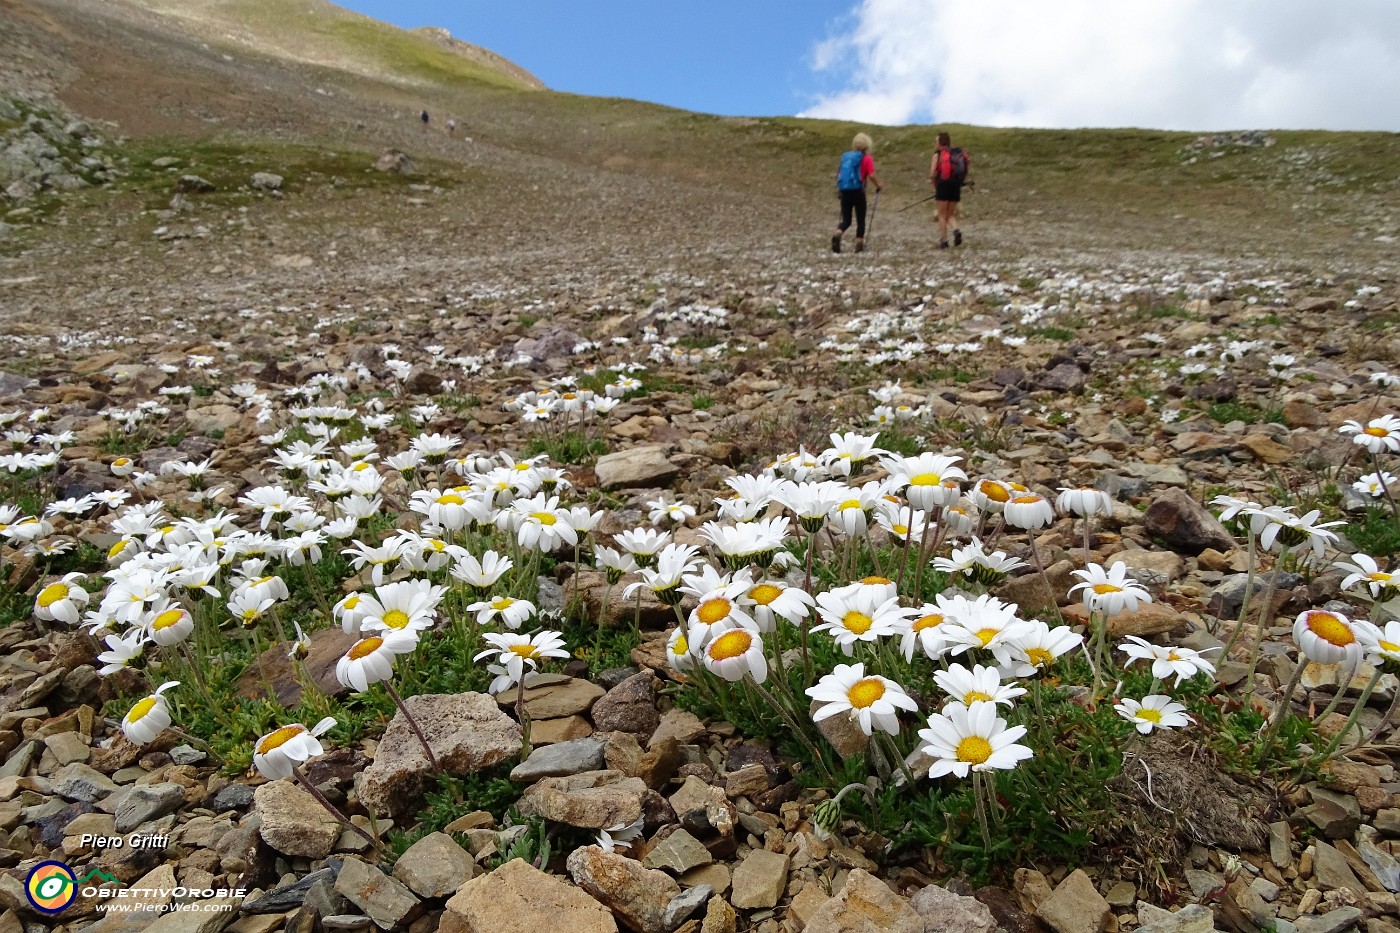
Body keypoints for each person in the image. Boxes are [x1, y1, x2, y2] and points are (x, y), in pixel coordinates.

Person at [832, 133, 882, 254]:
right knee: (860, 219)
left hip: (845, 191)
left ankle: (838, 233)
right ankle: (859, 244)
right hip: (858, 191)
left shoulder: (846, 157)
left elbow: (839, 174)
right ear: (867, 145)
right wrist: (878, 185)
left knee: (846, 220)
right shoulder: (867, 158)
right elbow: (871, 175)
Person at [929, 131, 971, 249]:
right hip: (956, 186)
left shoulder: (937, 155)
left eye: (935, 141)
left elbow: (932, 174)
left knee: (941, 215)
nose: (934, 144)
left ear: (939, 143)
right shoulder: (957, 154)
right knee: (950, 214)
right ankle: (956, 229)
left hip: (942, 186)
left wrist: (935, 186)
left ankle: (944, 241)